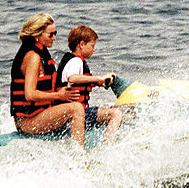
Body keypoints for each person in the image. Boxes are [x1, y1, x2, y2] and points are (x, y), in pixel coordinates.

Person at [10, 13, 87, 148]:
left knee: (79, 105)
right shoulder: (33, 57)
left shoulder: (42, 52)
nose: (54, 38)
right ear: (37, 35)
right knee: (76, 109)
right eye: (50, 34)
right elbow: (30, 94)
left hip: (41, 114)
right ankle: (80, 158)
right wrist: (58, 95)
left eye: (55, 33)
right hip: (28, 122)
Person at [56, 25, 124, 145]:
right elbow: (72, 78)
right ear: (81, 44)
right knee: (116, 113)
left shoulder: (70, 59)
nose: (94, 49)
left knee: (109, 108)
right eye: (92, 45)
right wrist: (99, 78)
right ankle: (109, 147)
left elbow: (79, 81)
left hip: (68, 114)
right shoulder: (76, 61)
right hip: (74, 115)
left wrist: (99, 82)